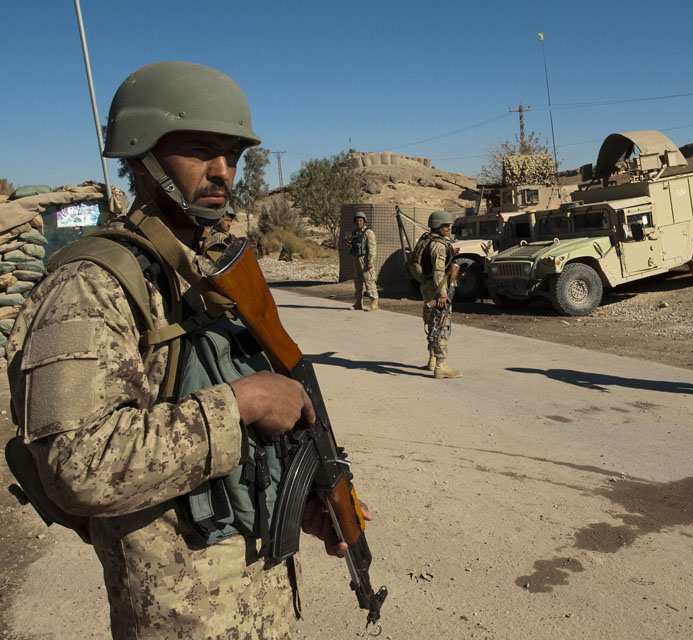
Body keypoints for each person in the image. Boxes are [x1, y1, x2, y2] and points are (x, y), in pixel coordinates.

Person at [5, 61, 363, 639]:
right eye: (201, 149)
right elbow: (75, 466)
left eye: (233, 155)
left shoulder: (212, 272)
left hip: (257, 607)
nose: (223, 172)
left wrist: (296, 504)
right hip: (181, 619)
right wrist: (239, 404)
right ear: (142, 156)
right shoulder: (92, 285)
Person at [420, 210, 461, 379]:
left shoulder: (427, 240)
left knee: (432, 322)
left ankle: (431, 359)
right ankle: (441, 365)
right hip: (437, 288)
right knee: (442, 324)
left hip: (428, 286)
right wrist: (443, 295)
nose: (448, 227)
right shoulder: (438, 245)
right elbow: (438, 272)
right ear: (437, 226)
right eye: (445, 225)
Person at [343, 211, 378, 310]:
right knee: (357, 282)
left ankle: (374, 303)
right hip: (356, 259)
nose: (359, 222)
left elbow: (372, 248)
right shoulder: (354, 233)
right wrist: (347, 242)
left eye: (360, 220)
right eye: (357, 221)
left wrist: (371, 261)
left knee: (369, 281)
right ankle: (358, 303)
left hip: (365, 259)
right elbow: (349, 243)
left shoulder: (369, 233)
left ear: (364, 221)